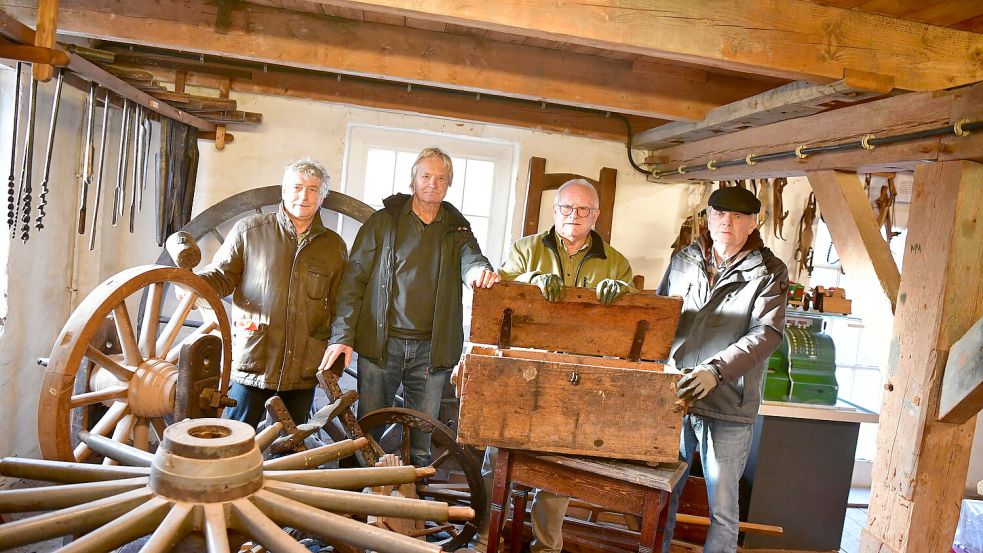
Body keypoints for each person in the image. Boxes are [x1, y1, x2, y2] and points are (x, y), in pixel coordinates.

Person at [475, 178, 634, 553]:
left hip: (575, 378)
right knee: (496, 460)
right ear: (555, 211)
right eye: (566, 208)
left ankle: (547, 547)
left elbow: (630, 317)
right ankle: (484, 537)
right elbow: (499, 293)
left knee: (560, 471)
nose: (573, 216)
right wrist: (531, 280)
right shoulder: (525, 249)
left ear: (595, 215)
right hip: (520, 373)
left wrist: (624, 293)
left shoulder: (615, 262)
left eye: (583, 210)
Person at [321, 146, 499, 467]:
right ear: (413, 180)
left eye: (441, 178)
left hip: (430, 351)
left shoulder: (456, 229)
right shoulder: (383, 222)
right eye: (426, 176)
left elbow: (472, 260)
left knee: (420, 442)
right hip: (381, 346)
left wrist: (479, 273)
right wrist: (342, 335)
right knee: (367, 433)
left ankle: (410, 512)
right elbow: (353, 283)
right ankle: (356, 508)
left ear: (448, 185)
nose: (433, 183)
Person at [657, 186, 788, 552]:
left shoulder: (769, 271)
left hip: (729, 402)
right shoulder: (684, 258)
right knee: (662, 496)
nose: (727, 222)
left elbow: (767, 334)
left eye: (738, 217)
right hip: (676, 395)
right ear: (709, 218)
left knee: (724, 510)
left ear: (752, 223)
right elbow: (661, 315)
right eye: (720, 214)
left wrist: (715, 371)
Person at [195, 157, 347, 427]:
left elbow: (339, 304)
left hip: (303, 365)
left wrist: (339, 344)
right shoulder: (250, 231)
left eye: (313, 189)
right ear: (284, 191)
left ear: (322, 197)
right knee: (235, 438)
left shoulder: (333, 246)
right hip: (254, 358)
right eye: (298, 187)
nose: (304, 196)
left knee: (293, 449)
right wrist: (193, 286)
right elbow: (220, 276)